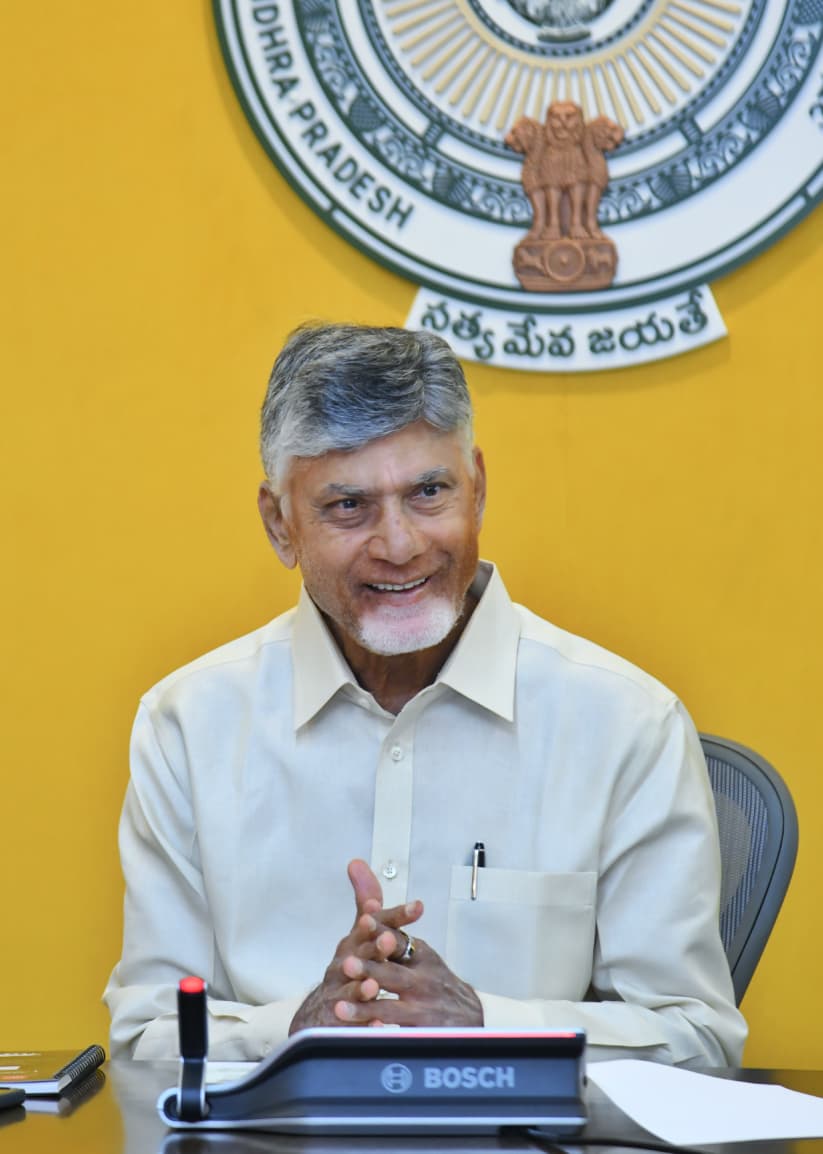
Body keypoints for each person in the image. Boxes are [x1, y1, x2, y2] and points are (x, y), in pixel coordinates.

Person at [104, 322, 747, 1065]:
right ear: (280, 525)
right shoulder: (188, 727)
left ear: (478, 488)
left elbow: (698, 1039)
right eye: (348, 506)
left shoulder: (626, 723)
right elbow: (147, 1039)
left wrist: (485, 1024)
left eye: (429, 492)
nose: (400, 544)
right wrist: (295, 1034)